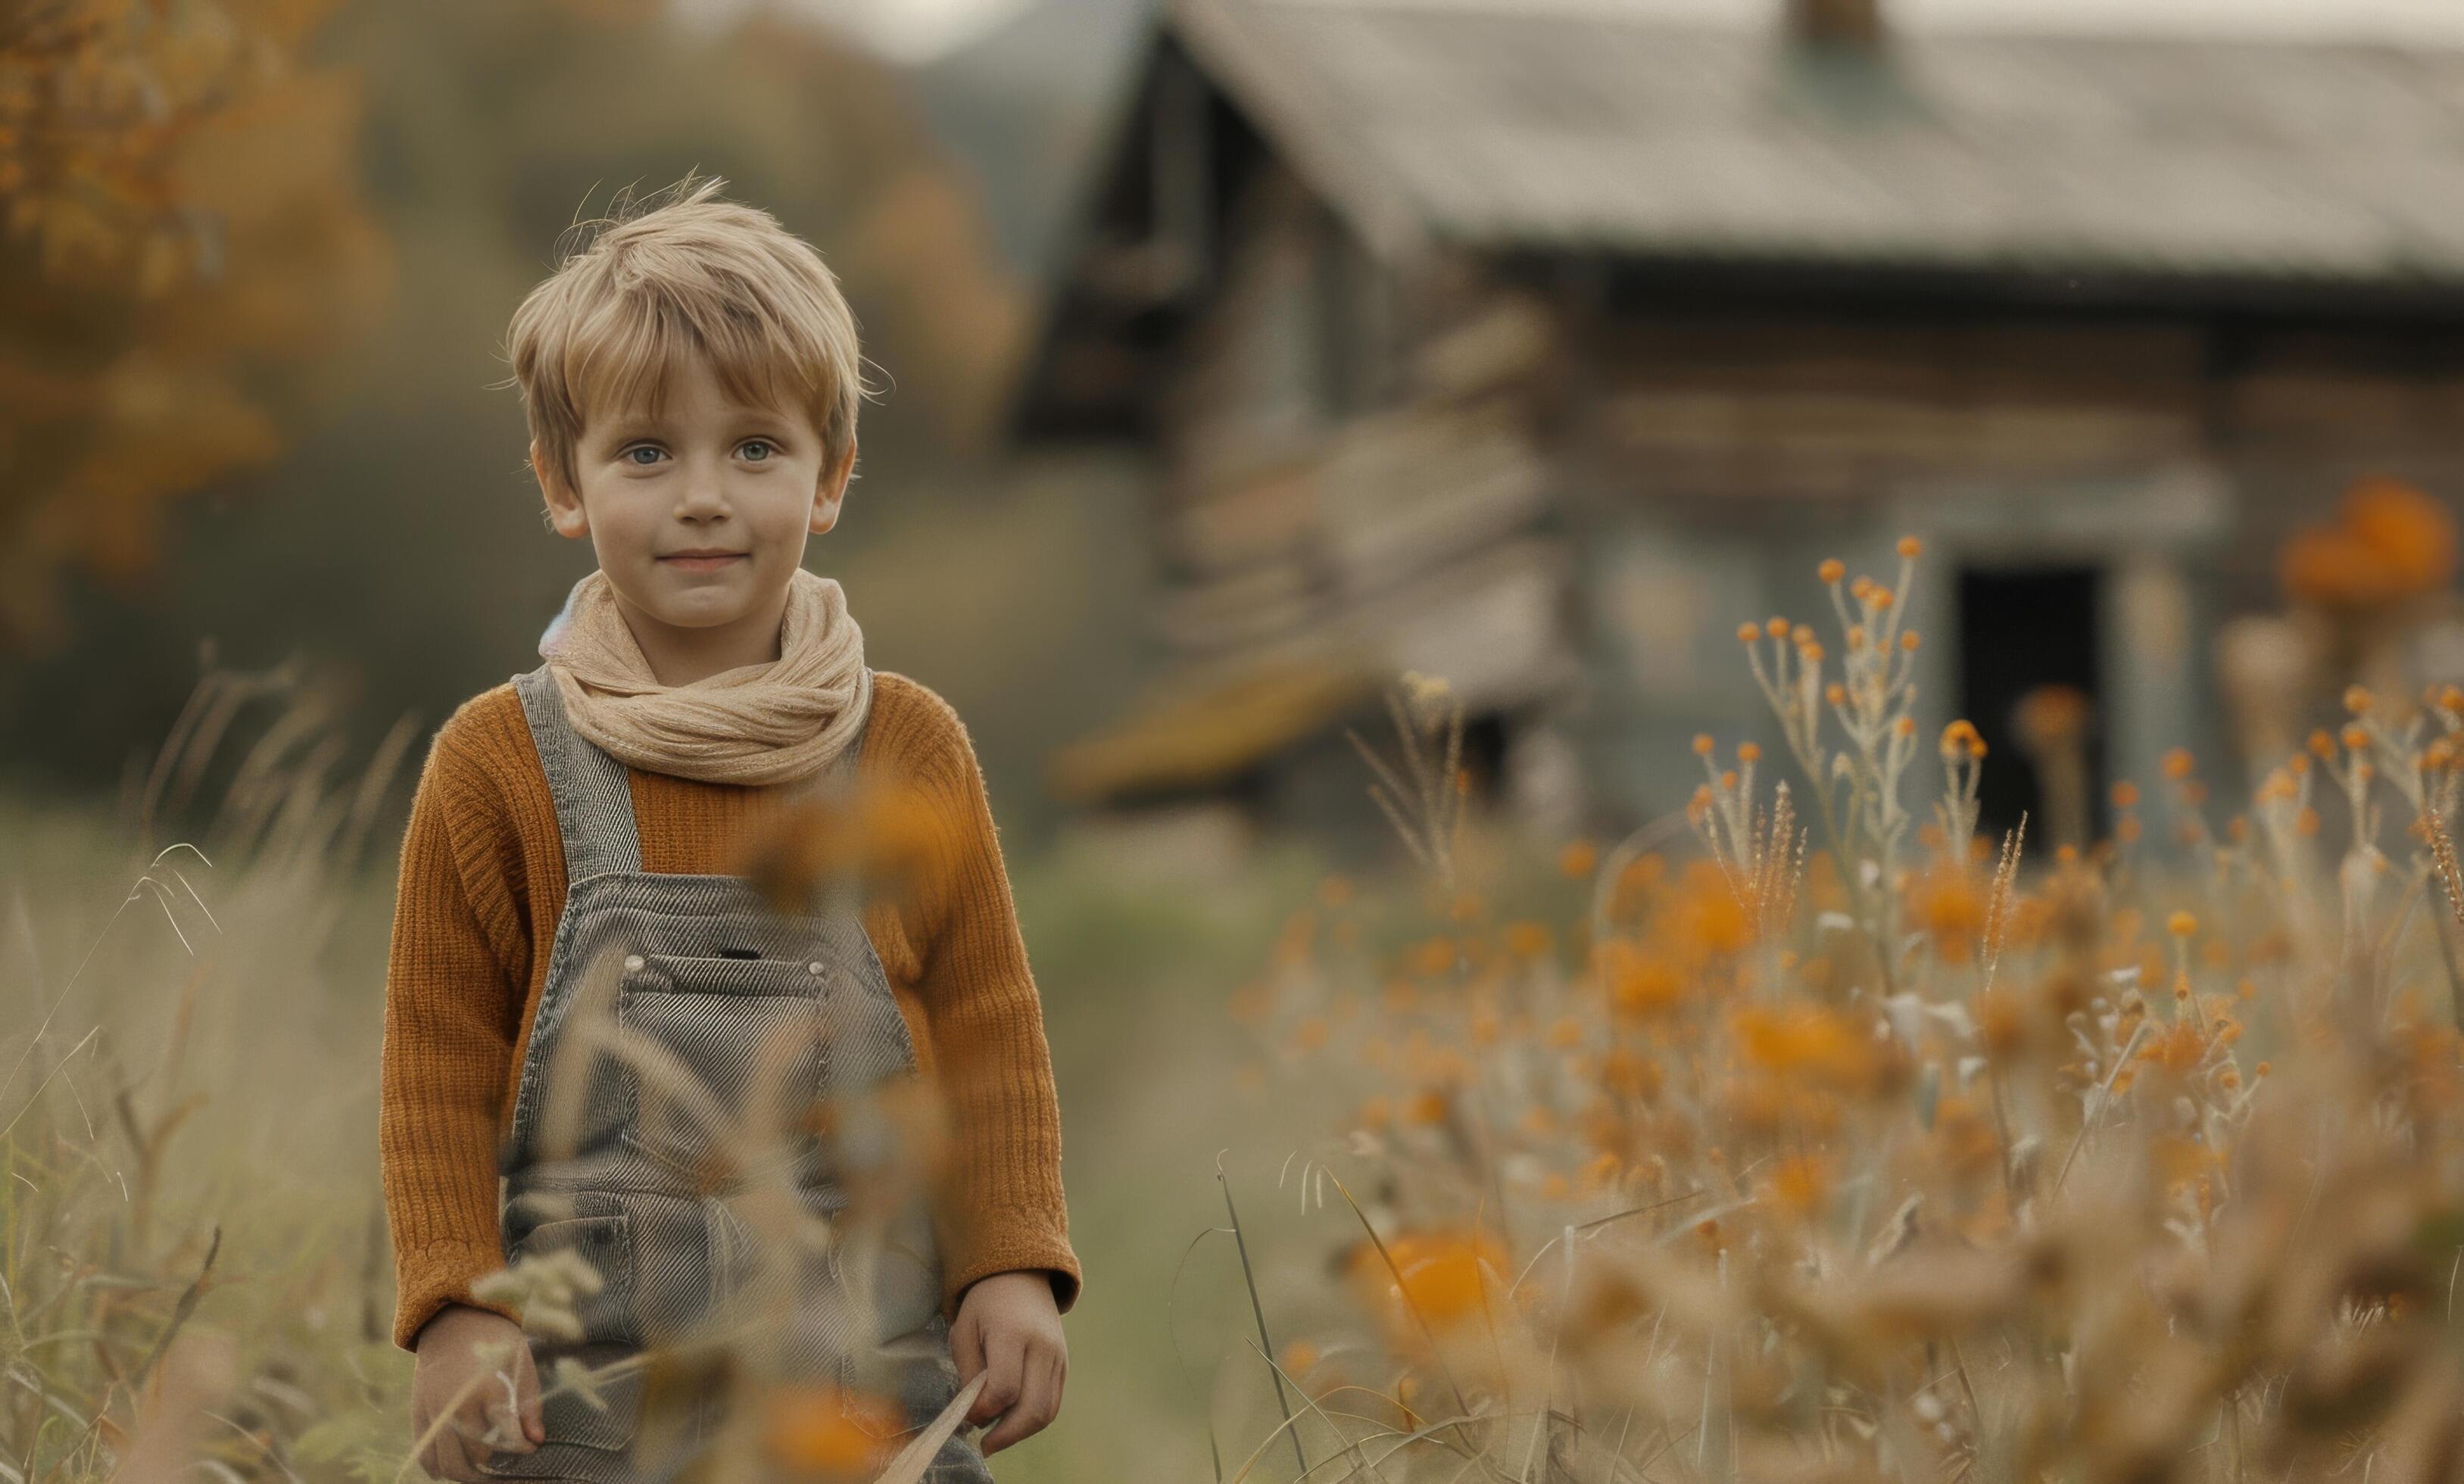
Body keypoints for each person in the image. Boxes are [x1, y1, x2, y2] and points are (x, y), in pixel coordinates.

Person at [377, 176, 1077, 1482]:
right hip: (582, 1418)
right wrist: (458, 1304)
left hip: (863, 1408)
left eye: (754, 448)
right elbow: (437, 1061)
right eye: (646, 453)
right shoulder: (498, 763)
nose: (703, 496)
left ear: (831, 477)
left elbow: (989, 1026)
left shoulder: (908, 748)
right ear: (561, 483)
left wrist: (1011, 1258)